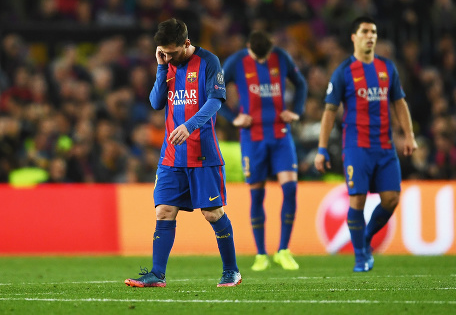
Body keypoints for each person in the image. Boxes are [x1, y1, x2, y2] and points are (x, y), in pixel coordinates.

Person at [124, 18, 241, 287]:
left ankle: (231, 270)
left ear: (186, 44)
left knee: (212, 213)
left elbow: (215, 102)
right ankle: (157, 274)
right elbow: (155, 102)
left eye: (172, 52)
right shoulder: (166, 64)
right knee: (164, 211)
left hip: (203, 152)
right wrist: (160, 66)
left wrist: (189, 126)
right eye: (163, 51)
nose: (169, 56)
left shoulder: (209, 62)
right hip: (171, 155)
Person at [314, 16, 418, 272]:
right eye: (365, 31)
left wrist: (410, 135)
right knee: (357, 200)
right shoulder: (343, 72)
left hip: (385, 146)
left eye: (373, 31)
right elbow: (329, 111)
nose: (370, 36)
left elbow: (399, 103)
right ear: (354, 36)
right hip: (356, 147)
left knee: (392, 199)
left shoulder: (387, 68)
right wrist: (322, 148)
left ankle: (366, 237)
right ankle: (361, 255)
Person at [219, 30, 307, 271]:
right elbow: (214, 90)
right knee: (257, 195)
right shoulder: (236, 62)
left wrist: (296, 110)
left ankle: (283, 250)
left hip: (280, 134)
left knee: (290, 189)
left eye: (264, 56)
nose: (261, 61)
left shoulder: (280, 57)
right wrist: (233, 117)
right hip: (253, 137)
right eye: (257, 57)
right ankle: (260, 254)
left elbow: (301, 83)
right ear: (248, 47)